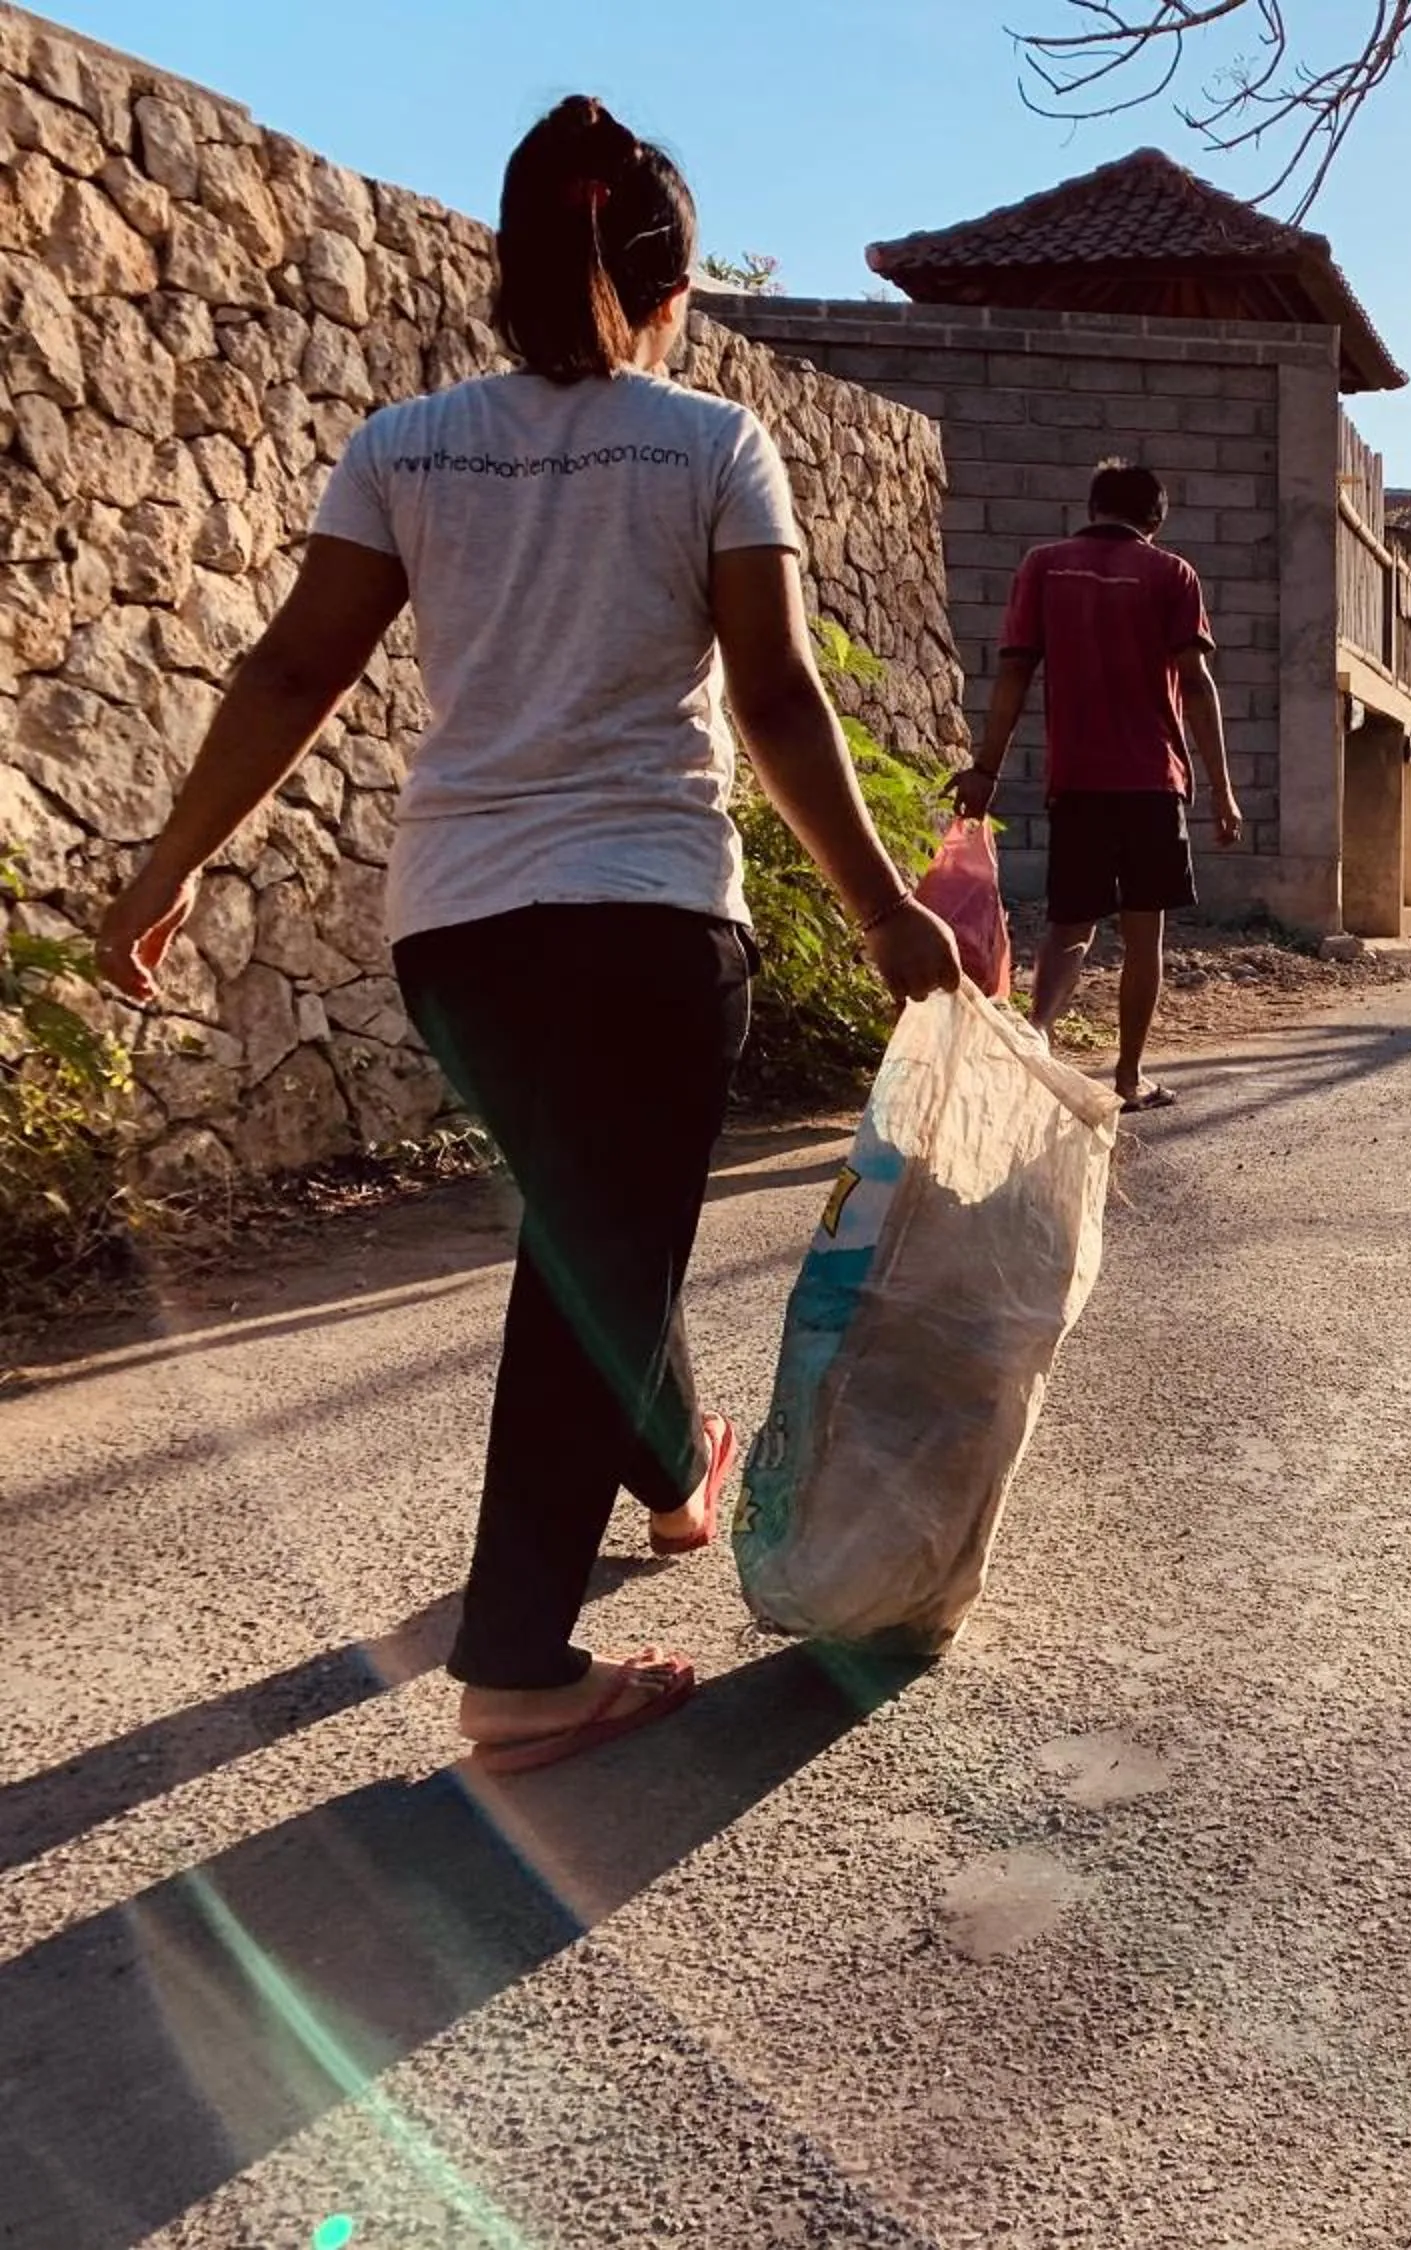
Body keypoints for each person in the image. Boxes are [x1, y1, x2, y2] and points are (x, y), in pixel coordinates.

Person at [95, 97, 963, 1773]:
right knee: (592, 1255)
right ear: (675, 281)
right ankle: (517, 1667)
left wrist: (165, 868)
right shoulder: (711, 443)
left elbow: (289, 670)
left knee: (592, 1234)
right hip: (646, 921)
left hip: (462, 937)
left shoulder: (407, 445)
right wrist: (878, 906)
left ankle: (669, 1471)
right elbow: (775, 695)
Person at [952, 461, 1243, 1112]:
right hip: (1152, 784)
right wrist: (1223, 787)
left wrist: (986, 770)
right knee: (1145, 938)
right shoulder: (1172, 574)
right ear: (1156, 519)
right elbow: (1196, 684)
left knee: (1067, 928)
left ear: (1091, 506)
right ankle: (1129, 1076)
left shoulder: (1044, 566)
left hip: (1077, 781)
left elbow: (1013, 677)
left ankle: (1037, 1045)